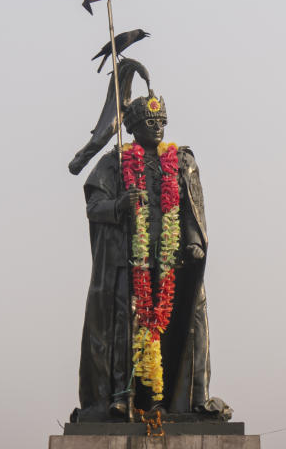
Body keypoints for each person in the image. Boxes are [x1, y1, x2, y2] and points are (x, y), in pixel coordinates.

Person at [74, 93, 227, 422]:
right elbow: (93, 208)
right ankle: (121, 398)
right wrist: (119, 205)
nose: (157, 128)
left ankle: (193, 399)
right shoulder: (114, 163)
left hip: (175, 263)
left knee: (190, 321)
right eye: (148, 122)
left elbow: (192, 207)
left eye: (161, 122)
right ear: (131, 126)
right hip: (131, 266)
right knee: (126, 330)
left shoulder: (181, 160)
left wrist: (193, 240)